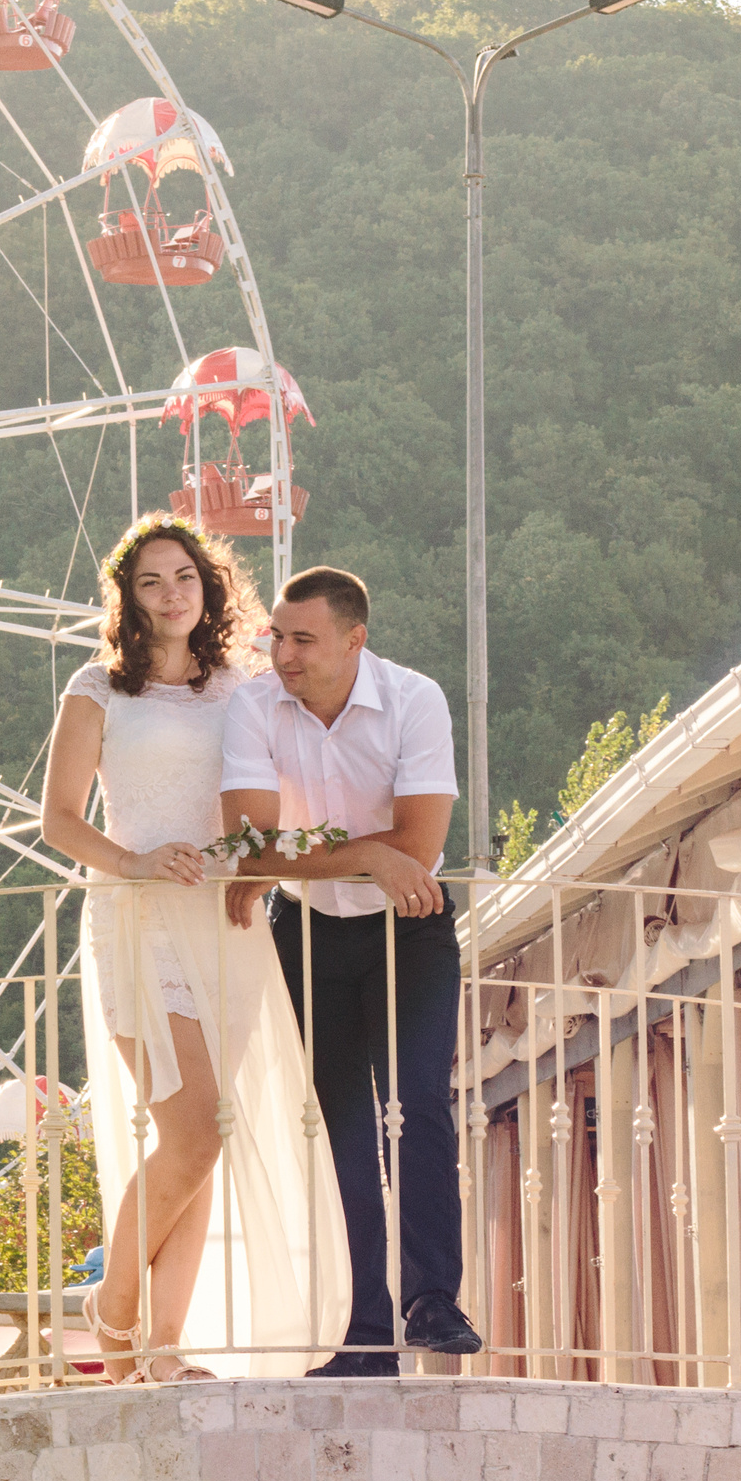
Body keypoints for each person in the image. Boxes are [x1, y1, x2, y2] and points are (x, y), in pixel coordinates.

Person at [41, 515, 348, 1382]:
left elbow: (284, 787)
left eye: (184, 576)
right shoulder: (97, 689)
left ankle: (161, 1350)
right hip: (139, 913)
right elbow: (58, 817)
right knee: (191, 1124)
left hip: (227, 919)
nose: (171, 592)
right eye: (150, 581)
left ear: (207, 586)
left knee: (207, 1129)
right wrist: (134, 860)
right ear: (129, 598)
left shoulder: (244, 690)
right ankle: (113, 1306)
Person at [219, 565, 483, 1377]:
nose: (283, 654)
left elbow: (422, 849)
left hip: (411, 927)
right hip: (307, 930)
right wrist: (366, 849)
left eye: (302, 639)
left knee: (416, 1105)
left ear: (353, 640)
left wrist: (356, 854)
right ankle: (361, 1332)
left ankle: (432, 1301)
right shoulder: (252, 704)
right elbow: (246, 845)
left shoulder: (416, 700)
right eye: (277, 637)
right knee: (336, 1128)